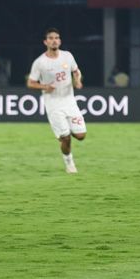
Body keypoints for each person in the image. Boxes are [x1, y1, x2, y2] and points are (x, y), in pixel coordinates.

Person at [27, 28, 86, 173]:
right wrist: (45, 86)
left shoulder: (67, 56)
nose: (54, 40)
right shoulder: (40, 62)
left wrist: (77, 81)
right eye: (51, 38)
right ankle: (69, 163)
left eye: (57, 38)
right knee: (66, 138)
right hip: (53, 105)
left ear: (60, 41)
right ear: (45, 42)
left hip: (69, 101)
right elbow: (30, 83)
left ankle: (64, 130)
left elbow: (76, 71)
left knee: (80, 136)